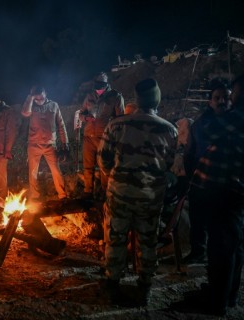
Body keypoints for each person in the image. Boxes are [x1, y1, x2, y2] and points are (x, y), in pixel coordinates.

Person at [97, 78, 177, 306]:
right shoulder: (169, 130)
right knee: (148, 242)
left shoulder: (116, 125)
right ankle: (145, 287)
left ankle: (112, 283)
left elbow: (103, 162)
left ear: (137, 99)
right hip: (150, 198)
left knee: (115, 238)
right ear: (157, 99)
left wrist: (119, 177)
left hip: (120, 194)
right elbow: (169, 164)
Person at [186, 74, 244, 316]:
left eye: (233, 92)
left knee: (221, 247)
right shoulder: (235, 117)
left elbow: (208, 129)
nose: (228, 98)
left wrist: (208, 115)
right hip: (225, 190)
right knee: (231, 245)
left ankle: (216, 302)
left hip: (225, 191)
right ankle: (227, 294)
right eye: (219, 97)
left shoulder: (238, 116)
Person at [183, 80, 230, 264]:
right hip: (201, 182)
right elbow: (189, 153)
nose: (221, 101)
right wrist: (191, 178)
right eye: (217, 98)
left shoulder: (236, 124)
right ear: (210, 102)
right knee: (198, 220)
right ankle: (198, 251)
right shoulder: (200, 125)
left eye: (225, 98)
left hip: (227, 185)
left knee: (222, 226)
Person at [79, 72, 124, 199]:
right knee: (88, 166)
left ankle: (105, 193)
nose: (97, 89)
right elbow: (81, 114)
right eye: (96, 86)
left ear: (106, 85)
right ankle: (88, 192)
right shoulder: (89, 96)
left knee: (104, 166)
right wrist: (86, 118)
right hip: (88, 137)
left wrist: (114, 136)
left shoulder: (116, 97)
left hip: (104, 138)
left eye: (100, 86)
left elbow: (120, 119)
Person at [21, 85, 69, 202]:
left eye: (41, 98)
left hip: (50, 145)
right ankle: (35, 197)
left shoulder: (54, 105)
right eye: (37, 99)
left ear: (45, 93)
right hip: (34, 145)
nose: (40, 101)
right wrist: (30, 98)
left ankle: (62, 196)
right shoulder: (31, 106)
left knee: (56, 171)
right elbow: (25, 113)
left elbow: (61, 125)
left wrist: (65, 144)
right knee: (32, 173)